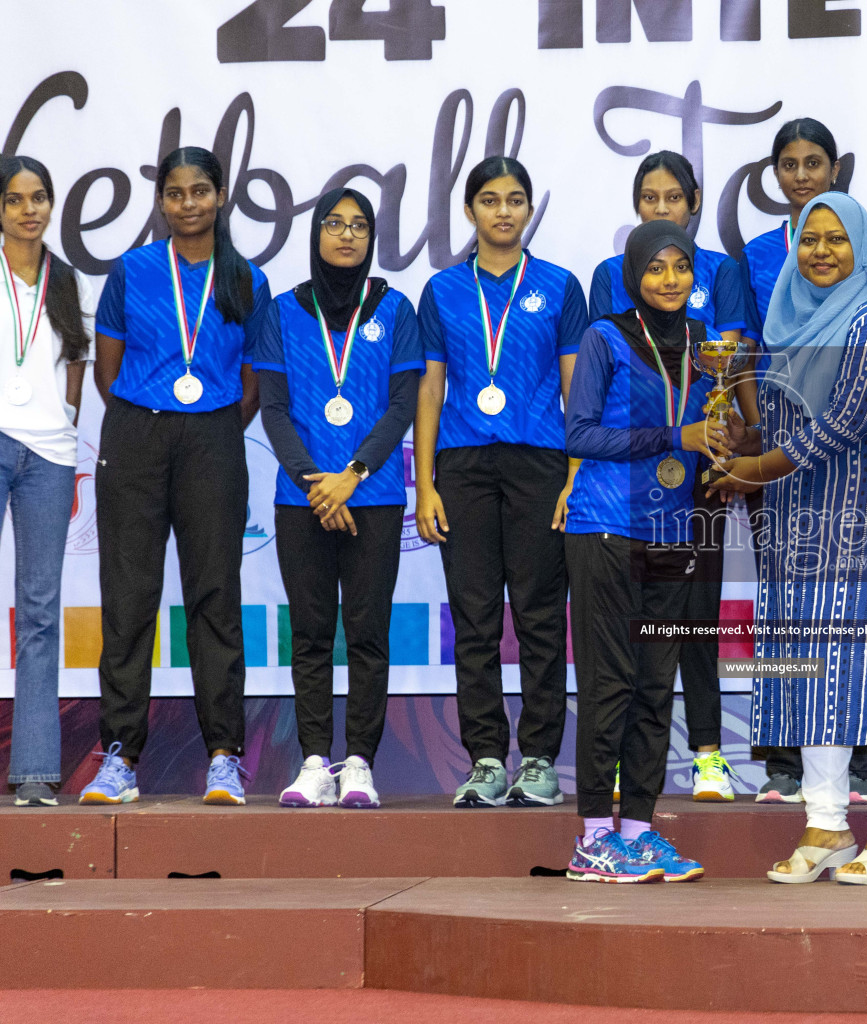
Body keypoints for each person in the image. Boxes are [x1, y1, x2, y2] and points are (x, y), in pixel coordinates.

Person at [711, 192, 867, 885]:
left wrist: (745, 471)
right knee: (805, 665)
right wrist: (735, 434)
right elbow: (774, 424)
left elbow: (838, 426)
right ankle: (823, 820)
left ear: (861, 247)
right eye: (810, 240)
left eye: (836, 240)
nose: (820, 251)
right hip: (796, 519)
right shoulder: (784, 319)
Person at [83, 147, 270, 805]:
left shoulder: (245, 277)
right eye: (175, 193)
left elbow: (253, 382)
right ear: (161, 202)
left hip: (213, 438)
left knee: (214, 595)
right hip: (135, 433)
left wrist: (210, 423)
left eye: (200, 191)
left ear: (220, 197)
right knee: (129, 598)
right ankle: (121, 757)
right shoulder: (132, 271)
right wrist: (149, 415)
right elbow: (107, 371)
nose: (188, 203)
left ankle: (224, 755)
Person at [415, 156, 586, 809]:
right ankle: (486, 758)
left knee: (542, 617)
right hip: (462, 464)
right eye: (490, 200)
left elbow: (577, 388)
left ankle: (538, 758)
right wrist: (426, 483)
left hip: (541, 461)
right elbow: (431, 387)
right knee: (476, 617)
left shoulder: (558, 286)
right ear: (470, 211)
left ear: (528, 210)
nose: (504, 211)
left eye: (516, 199)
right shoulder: (442, 291)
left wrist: (575, 475)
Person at [253, 188, 423, 808]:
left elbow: (402, 405)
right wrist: (313, 482)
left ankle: (360, 764)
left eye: (359, 225)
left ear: (372, 237)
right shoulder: (280, 312)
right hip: (301, 500)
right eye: (334, 223)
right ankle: (315, 762)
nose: (347, 235)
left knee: (369, 633)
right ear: (316, 234)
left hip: (372, 496)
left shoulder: (396, 310)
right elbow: (273, 410)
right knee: (311, 635)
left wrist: (351, 474)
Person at [589, 150, 750, 801]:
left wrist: (720, 441)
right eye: (649, 198)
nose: (662, 209)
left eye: (672, 198)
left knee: (695, 614)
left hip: (701, 467)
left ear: (694, 202)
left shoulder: (722, 273)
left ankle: (708, 753)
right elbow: (603, 367)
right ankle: (627, 760)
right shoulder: (611, 273)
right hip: (629, 475)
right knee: (633, 625)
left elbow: (730, 360)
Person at [563, 220, 721, 882]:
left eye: (681, 267)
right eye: (655, 268)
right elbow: (578, 434)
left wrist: (723, 448)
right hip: (605, 528)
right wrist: (673, 436)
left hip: (674, 534)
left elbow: (713, 431)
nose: (669, 279)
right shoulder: (604, 337)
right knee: (611, 683)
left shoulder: (705, 348)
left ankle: (640, 831)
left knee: (657, 684)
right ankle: (594, 836)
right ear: (634, 275)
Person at [739, 117, 867, 804]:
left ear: (835, 170)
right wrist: (756, 435)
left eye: (814, 162)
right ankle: (787, 761)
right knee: (786, 605)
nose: (801, 175)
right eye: (789, 164)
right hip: (777, 457)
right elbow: (742, 353)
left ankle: (855, 758)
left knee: (851, 608)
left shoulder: (860, 246)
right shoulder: (757, 256)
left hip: (850, 461)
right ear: (775, 176)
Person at [0, 157, 94, 807]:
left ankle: (34, 770)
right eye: (14, 200)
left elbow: (77, 363)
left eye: (39, 198)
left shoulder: (66, 281)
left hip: (49, 459)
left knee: (37, 613)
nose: (29, 209)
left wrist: (64, 423)